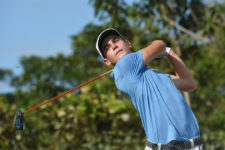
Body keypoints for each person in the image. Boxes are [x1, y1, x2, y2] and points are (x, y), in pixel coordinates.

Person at [95, 28, 203, 150]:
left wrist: (168, 52)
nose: (113, 46)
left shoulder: (156, 75)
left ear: (128, 43)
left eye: (116, 40)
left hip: (191, 145)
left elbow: (189, 83)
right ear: (107, 61)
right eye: (107, 48)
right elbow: (159, 44)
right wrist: (163, 49)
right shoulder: (124, 65)